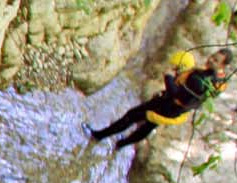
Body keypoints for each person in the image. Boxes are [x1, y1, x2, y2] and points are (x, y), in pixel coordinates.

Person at [90, 48, 232, 150]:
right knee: (148, 126)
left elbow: (175, 93)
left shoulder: (199, 80)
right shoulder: (219, 82)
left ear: (222, 66)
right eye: (212, 56)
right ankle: (122, 144)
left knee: (132, 116)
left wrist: (169, 76)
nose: (210, 59)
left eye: (215, 60)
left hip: (168, 104)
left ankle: (99, 135)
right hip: (177, 110)